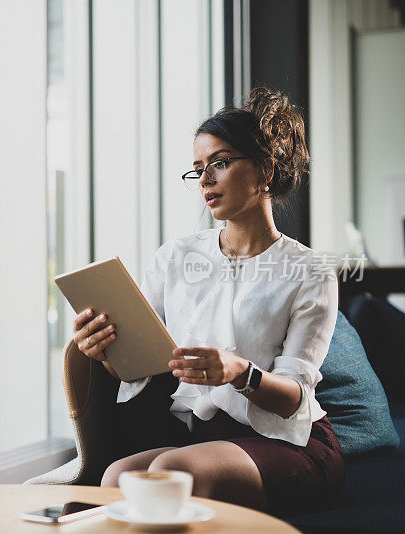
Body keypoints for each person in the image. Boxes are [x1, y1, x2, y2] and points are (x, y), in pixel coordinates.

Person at [73, 86, 344, 513]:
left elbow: (293, 397)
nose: (205, 180)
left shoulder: (310, 271)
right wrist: (104, 351)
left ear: (265, 169)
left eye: (219, 163)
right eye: (197, 169)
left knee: (175, 470)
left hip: (292, 440)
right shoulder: (177, 255)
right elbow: (143, 360)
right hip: (205, 437)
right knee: (115, 478)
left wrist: (240, 373)